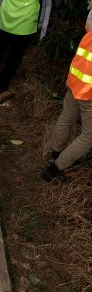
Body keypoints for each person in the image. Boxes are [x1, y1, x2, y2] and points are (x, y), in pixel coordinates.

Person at [41, 10, 92, 183]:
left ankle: (55, 154)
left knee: (66, 118)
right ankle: (55, 168)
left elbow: (88, 26)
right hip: (89, 91)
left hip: (77, 79)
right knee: (89, 136)